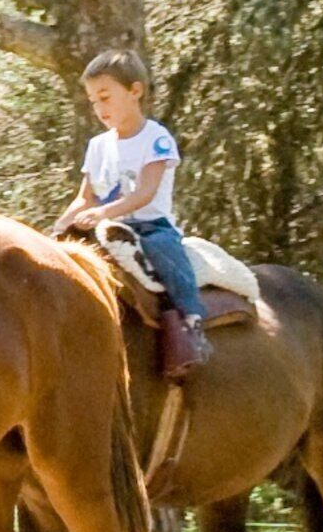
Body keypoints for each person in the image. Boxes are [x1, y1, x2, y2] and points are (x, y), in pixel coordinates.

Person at [49, 50, 208, 381]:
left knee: (165, 253)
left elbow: (144, 193)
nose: (99, 108)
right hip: (106, 225)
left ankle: (191, 320)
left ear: (135, 91)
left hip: (149, 224)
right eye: (93, 101)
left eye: (105, 97)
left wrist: (102, 212)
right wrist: (58, 227)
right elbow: (84, 198)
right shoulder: (97, 146)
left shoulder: (156, 139)